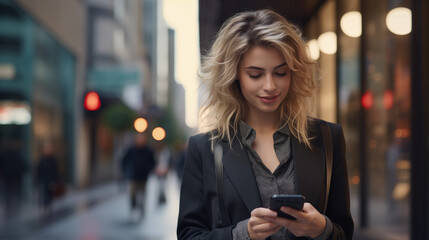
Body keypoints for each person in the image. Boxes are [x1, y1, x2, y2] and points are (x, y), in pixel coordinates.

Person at [177, 9, 354, 240]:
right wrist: (243, 234)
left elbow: (344, 231)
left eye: (280, 72)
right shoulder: (205, 149)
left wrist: (322, 229)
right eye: (255, 74)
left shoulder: (327, 138)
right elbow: (189, 235)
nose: (270, 85)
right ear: (235, 75)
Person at [121, 133, 156, 217]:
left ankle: (142, 208)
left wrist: (149, 170)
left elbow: (152, 162)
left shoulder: (148, 150)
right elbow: (124, 161)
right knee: (132, 192)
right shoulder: (131, 150)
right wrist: (126, 170)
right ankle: (133, 205)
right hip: (133, 176)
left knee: (143, 193)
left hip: (143, 176)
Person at [36, 141, 59, 213]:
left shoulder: (53, 160)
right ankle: (45, 205)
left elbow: (56, 170)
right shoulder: (42, 160)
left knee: (50, 192)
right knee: (44, 192)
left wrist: (55, 180)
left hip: (51, 179)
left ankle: (49, 204)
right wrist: (38, 178)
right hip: (44, 179)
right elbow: (39, 170)